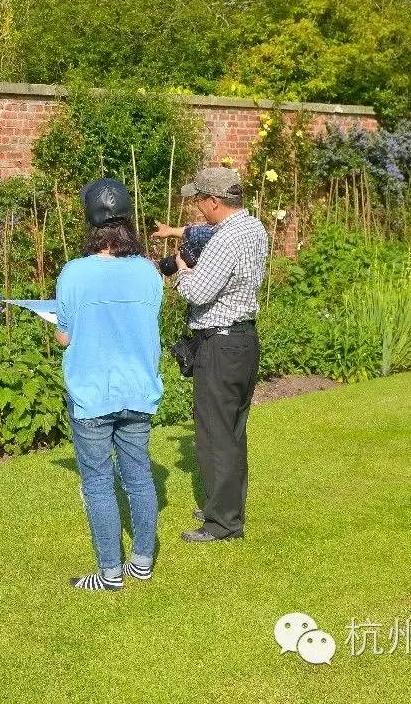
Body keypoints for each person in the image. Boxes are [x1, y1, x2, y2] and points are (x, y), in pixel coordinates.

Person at [55, 178, 164, 592]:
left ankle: (110, 572)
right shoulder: (148, 273)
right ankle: (142, 561)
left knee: (98, 482)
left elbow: (65, 336)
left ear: (90, 221)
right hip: (138, 389)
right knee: (139, 477)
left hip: (91, 393)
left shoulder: (74, 273)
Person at [154, 166, 268, 543]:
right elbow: (206, 235)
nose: (198, 208)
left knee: (215, 434)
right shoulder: (253, 228)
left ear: (214, 201)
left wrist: (183, 270)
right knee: (232, 431)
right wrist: (179, 233)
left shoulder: (224, 241)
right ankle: (225, 506)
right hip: (243, 341)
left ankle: (222, 524)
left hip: (220, 345)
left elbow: (198, 293)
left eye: (199, 201)